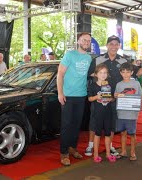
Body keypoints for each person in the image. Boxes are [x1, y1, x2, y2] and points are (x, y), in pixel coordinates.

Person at [85, 35, 142, 157]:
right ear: (107, 45)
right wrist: (99, 83)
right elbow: (90, 74)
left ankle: (110, 145)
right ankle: (91, 145)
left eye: (116, 44)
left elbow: (138, 71)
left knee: (112, 123)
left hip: (118, 98)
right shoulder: (98, 59)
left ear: (119, 46)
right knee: (94, 122)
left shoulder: (124, 61)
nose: (113, 46)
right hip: (100, 97)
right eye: (111, 44)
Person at [57, 32, 92, 166]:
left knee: (77, 124)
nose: (86, 43)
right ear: (78, 41)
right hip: (68, 96)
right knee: (66, 125)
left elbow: (90, 74)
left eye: (88, 41)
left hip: (81, 95)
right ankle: (64, 152)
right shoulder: (70, 55)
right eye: (84, 40)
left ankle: (72, 148)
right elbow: (60, 74)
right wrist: (60, 93)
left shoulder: (88, 58)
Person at [114, 62, 142, 161]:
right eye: (123, 72)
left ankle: (133, 152)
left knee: (132, 134)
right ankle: (123, 151)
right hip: (121, 113)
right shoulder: (118, 84)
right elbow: (115, 95)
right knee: (123, 133)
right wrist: (116, 95)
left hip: (132, 114)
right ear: (120, 73)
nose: (125, 74)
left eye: (128, 72)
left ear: (132, 72)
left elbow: (140, 95)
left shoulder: (136, 83)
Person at [88, 64, 116, 163]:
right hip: (98, 114)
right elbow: (89, 99)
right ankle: (95, 154)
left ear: (107, 74)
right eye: (101, 73)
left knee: (108, 134)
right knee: (97, 134)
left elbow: (112, 98)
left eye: (105, 73)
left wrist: (111, 98)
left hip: (108, 113)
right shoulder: (92, 86)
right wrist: (97, 97)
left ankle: (108, 153)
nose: (103, 75)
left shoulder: (109, 85)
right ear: (96, 74)